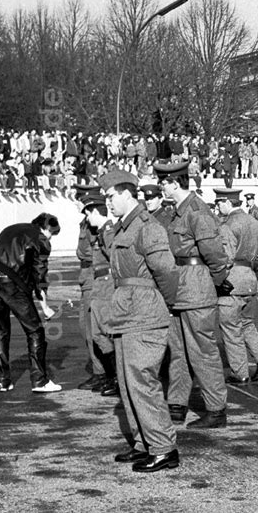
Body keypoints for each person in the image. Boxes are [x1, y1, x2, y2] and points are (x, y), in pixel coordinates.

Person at [100, 169, 180, 473]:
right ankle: (143, 443)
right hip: (125, 313)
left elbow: (167, 272)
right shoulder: (123, 228)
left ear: (126, 193)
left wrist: (167, 304)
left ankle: (163, 448)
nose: (107, 202)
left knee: (142, 382)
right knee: (127, 382)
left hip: (145, 314)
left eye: (110, 196)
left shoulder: (148, 227)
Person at [154, 160, 230, 429]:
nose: (161, 186)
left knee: (202, 351)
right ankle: (177, 404)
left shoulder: (196, 211)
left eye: (164, 182)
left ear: (176, 183)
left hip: (195, 288)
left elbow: (217, 258)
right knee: (178, 351)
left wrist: (211, 283)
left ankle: (216, 409)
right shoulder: (178, 212)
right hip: (178, 288)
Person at [0, 213, 62, 394]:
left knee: (1, 331)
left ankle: (3, 381)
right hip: (11, 284)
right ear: (47, 228)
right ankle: (39, 381)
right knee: (35, 331)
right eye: (53, 234)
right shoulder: (40, 240)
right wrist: (45, 308)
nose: (51, 238)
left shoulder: (12, 228)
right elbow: (40, 277)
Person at [214, 188, 258, 384]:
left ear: (228, 203)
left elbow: (226, 257)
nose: (218, 206)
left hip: (232, 281)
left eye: (219, 203)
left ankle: (239, 372)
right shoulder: (253, 222)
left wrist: (217, 278)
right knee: (247, 323)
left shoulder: (228, 225)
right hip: (250, 278)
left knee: (230, 328)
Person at [81, 190, 118, 397]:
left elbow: (115, 259)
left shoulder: (108, 231)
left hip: (107, 285)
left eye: (89, 214)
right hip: (99, 284)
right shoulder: (103, 231)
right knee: (97, 333)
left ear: (96, 211)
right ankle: (113, 377)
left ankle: (117, 378)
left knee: (106, 333)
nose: (87, 219)